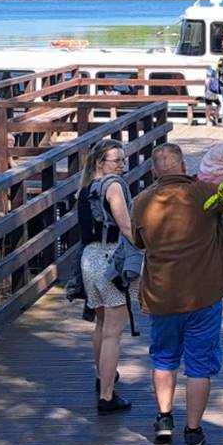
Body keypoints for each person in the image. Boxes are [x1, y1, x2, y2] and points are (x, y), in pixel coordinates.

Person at [132, 143, 223, 445]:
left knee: (164, 358)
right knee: (200, 365)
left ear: (154, 171)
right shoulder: (205, 194)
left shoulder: (141, 202)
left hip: (162, 295)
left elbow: (139, 242)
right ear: (183, 166)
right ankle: (193, 431)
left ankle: (164, 419)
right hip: (204, 294)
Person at [78, 143, 138, 415]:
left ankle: (102, 375)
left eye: (123, 161)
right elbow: (125, 226)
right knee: (114, 332)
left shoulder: (86, 188)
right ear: (100, 161)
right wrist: (147, 246)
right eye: (116, 160)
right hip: (109, 259)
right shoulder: (113, 187)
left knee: (102, 324)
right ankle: (106, 396)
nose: (121, 166)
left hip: (89, 258)